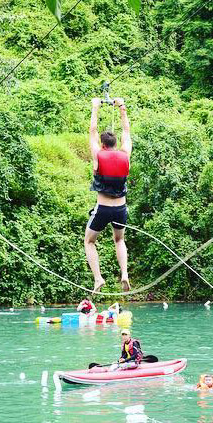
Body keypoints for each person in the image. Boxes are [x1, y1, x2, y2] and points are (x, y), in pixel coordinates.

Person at [85, 97, 133, 293]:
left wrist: (95, 107)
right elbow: (127, 131)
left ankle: (98, 279)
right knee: (119, 240)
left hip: (103, 208)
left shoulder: (98, 154)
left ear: (103, 145)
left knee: (89, 241)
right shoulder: (125, 154)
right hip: (120, 209)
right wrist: (121, 106)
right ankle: (125, 274)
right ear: (116, 143)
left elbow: (92, 131)